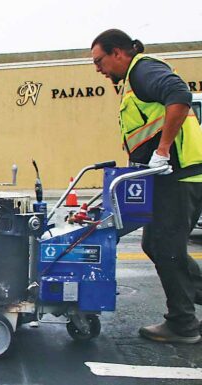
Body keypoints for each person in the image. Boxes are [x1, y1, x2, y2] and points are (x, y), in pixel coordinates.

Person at [91, 29, 202, 344]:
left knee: (166, 248)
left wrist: (162, 151)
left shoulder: (143, 70)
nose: (98, 69)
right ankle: (184, 317)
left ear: (118, 53)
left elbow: (180, 96)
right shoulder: (133, 80)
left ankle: (182, 324)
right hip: (171, 177)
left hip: (179, 175)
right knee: (157, 246)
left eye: (100, 61)